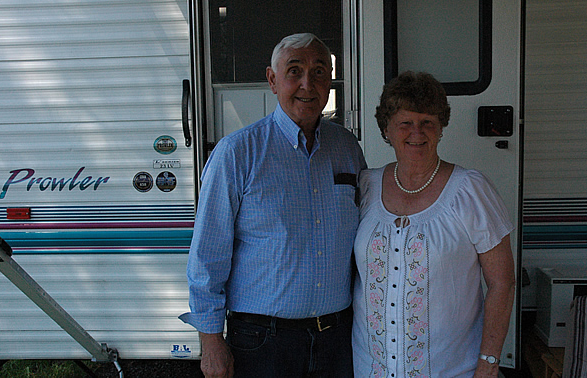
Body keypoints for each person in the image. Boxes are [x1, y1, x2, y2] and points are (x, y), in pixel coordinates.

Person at [180, 33, 367, 378]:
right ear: (272, 79)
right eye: (294, 71)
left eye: (319, 71)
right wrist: (211, 342)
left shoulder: (347, 147)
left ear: (330, 80)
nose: (307, 84)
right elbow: (208, 255)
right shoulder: (237, 153)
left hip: (337, 339)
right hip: (263, 342)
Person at [352, 71, 516, 377]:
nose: (417, 131)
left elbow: (502, 282)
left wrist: (489, 362)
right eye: (405, 123)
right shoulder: (366, 186)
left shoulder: (470, 190)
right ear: (386, 130)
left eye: (428, 121)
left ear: (441, 128)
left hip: (454, 370)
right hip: (371, 369)